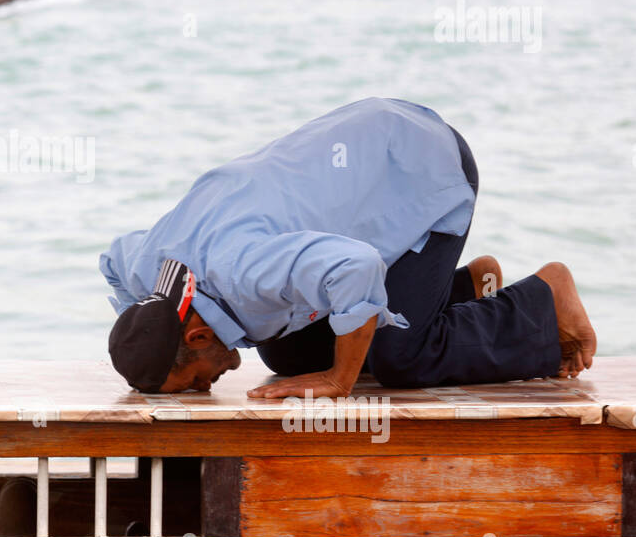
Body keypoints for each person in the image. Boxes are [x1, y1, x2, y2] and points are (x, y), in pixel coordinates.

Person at [101, 98, 597, 397]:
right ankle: (463, 288)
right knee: (287, 355)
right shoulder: (152, 276)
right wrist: (144, 320)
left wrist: (340, 380)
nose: (205, 389)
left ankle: (542, 300)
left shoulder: (245, 270)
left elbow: (355, 265)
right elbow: (112, 258)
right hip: (362, 158)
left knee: (405, 359)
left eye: (194, 385)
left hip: (416, 169)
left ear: (195, 338)